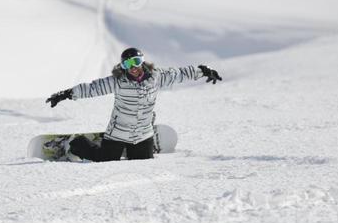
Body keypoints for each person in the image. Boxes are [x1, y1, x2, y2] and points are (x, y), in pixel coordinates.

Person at [46, 47, 222, 161]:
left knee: (142, 166)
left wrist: (204, 71)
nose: (133, 67)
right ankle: (77, 143)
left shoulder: (156, 77)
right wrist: (67, 94)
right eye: (127, 63)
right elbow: (92, 88)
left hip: (143, 135)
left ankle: (148, 136)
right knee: (102, 161)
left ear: (142, 62)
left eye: (136, 62)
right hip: (118, 134)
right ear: (123, 66)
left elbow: (180, 73)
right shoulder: (118, 81)